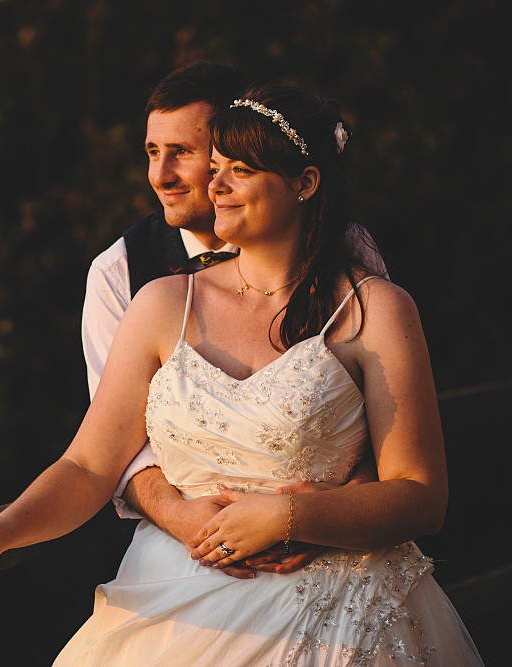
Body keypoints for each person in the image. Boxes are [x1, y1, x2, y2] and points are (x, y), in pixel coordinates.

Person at [0, 81, 484, 664]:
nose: (213, 186)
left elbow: (422, 495)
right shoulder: (162, 303)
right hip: (175, 596)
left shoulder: (375, 310)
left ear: (306, 182)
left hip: (339, 605)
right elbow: (89, 465)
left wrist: (291, 516)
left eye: (239, 170)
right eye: (214, 167)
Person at [85, 60, 385, 579]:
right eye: (153, 152)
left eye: (183, 152)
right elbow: (110, 450)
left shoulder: (347, 252)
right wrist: (187, 522)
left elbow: (385, 412)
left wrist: (327, 514)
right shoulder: (120, 273)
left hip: (331, 561)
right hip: (189, 558)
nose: (161, 175)